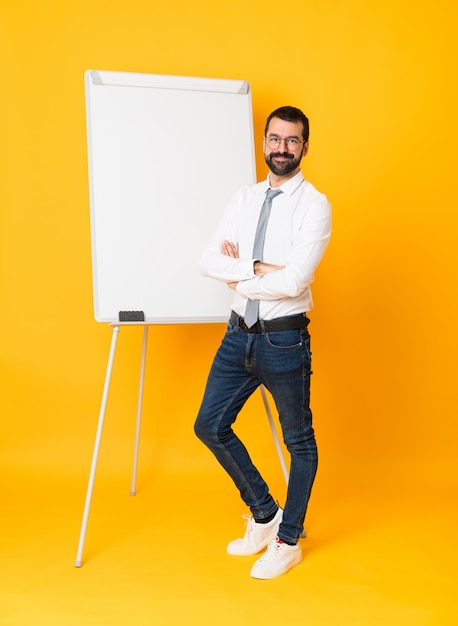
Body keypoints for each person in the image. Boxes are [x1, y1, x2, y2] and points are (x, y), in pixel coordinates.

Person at [194, 106, 331, 579]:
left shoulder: (314, 205)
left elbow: (296, 281)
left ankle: (287, 539)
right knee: (210, 425)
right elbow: (208, 259)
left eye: (292, 141)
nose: (281, 148)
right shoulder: (244, 199)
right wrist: (260, 270)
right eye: (275, 139)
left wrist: (241, 276)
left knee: (300, 442)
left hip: (284, 340)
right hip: (238, 336)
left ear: (304, 147)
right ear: (265, 141)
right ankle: (265, 512)